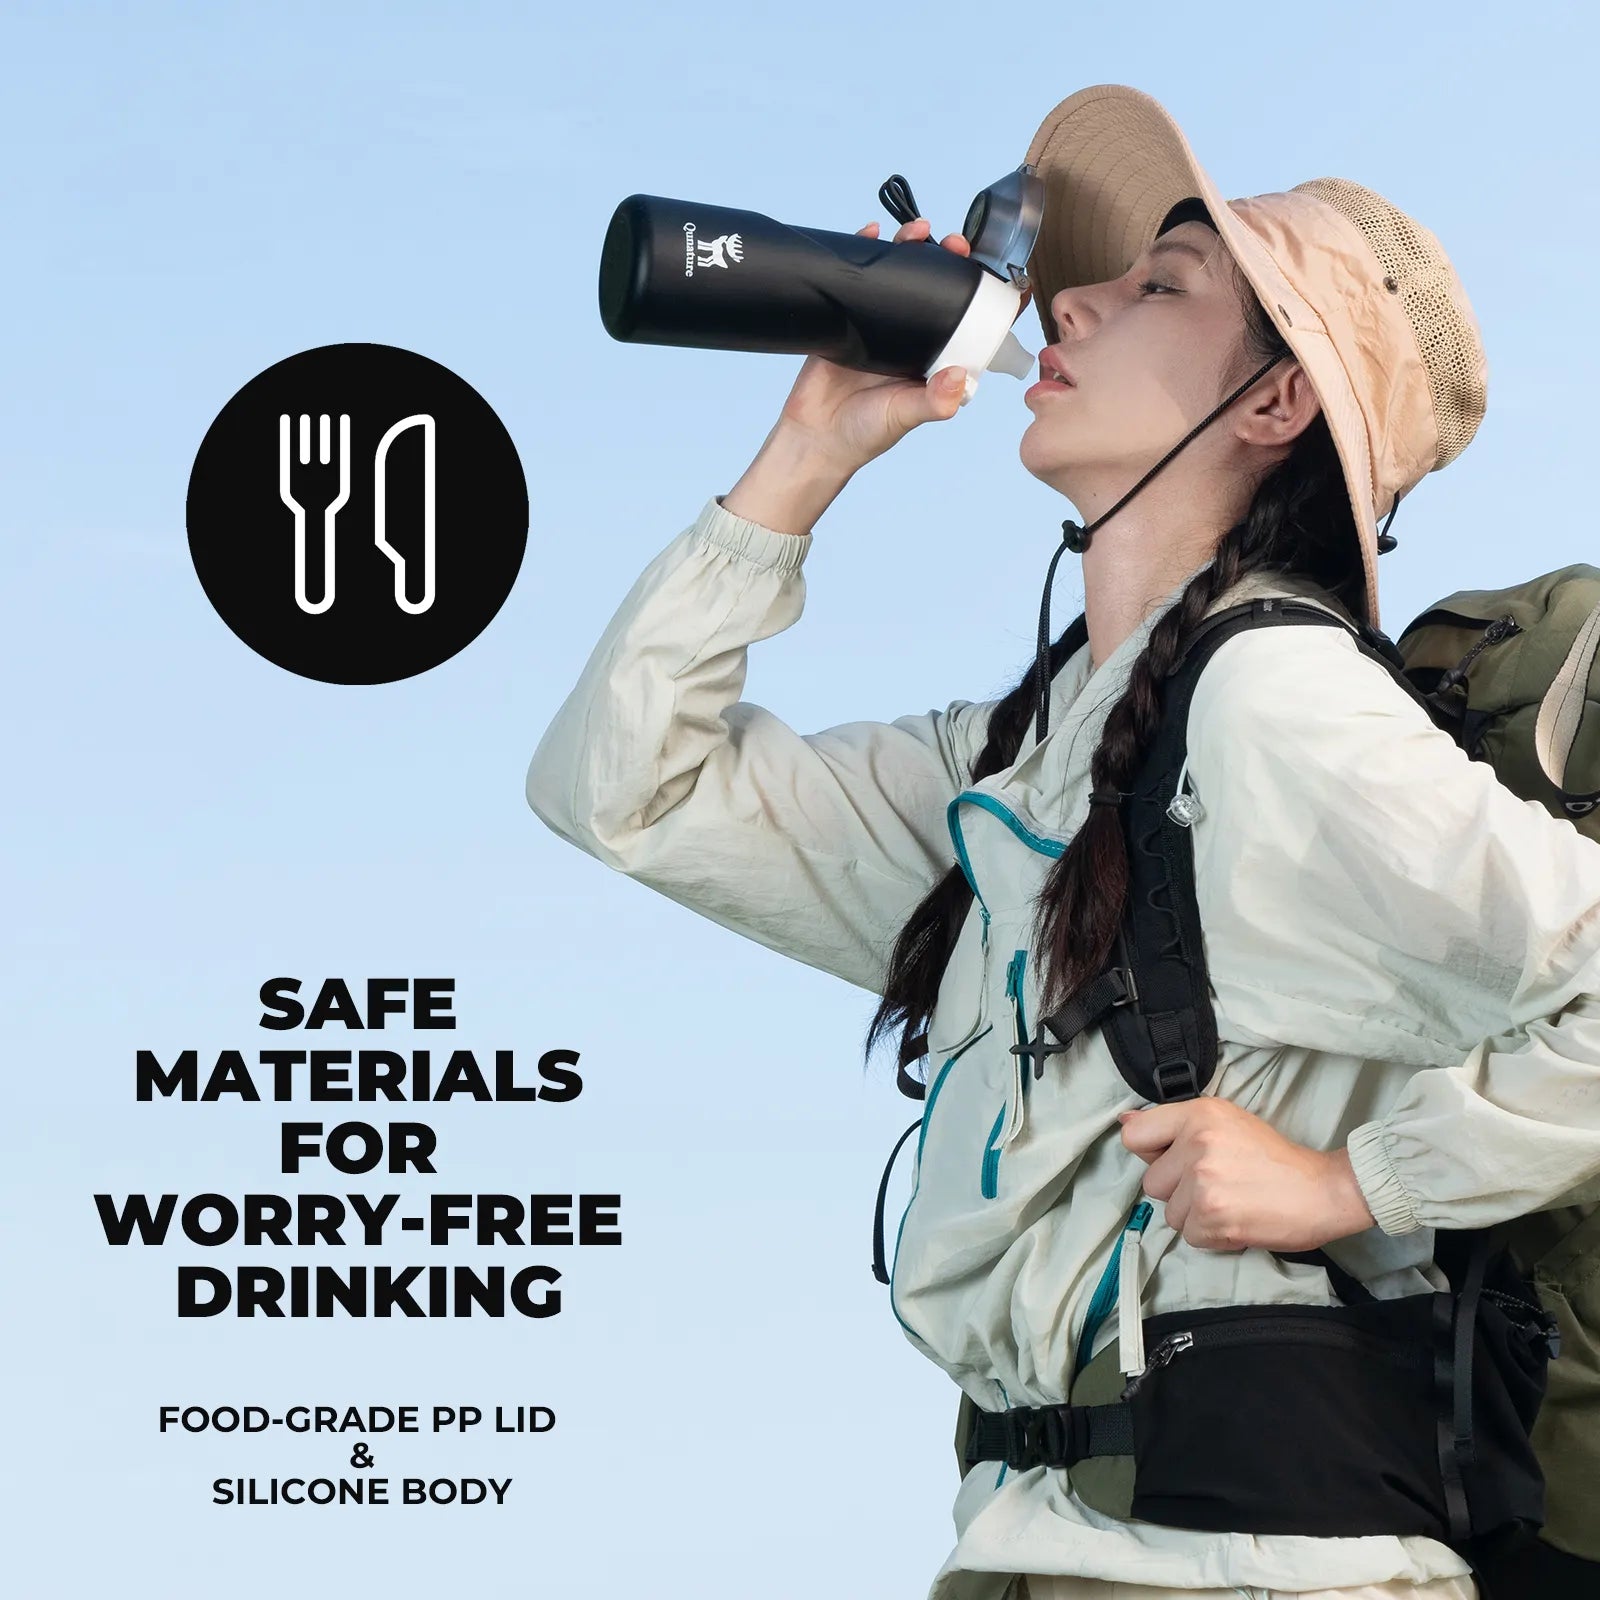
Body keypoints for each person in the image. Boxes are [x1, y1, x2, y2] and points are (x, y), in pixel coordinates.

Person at [527, 84, 1600, 1600]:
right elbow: (626, 787)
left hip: (1258, 1568)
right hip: (1031, 1550)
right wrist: (811, 449)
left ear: (1274, 405)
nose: (1071, 304)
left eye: (1164, 286)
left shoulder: (1274, 702)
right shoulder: (1031, 758)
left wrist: (1351, 1183)